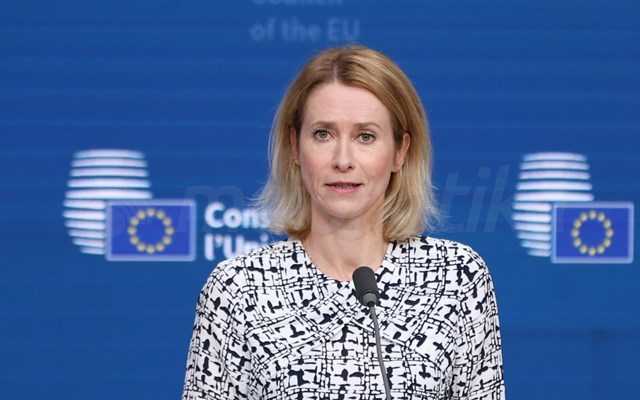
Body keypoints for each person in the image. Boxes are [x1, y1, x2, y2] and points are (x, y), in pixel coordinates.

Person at [181, 45, 505, 400]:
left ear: (400, 152)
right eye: (323, 134)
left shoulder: (455, 278)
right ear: (295, 147)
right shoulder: (239, 289)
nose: (343, 160)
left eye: (366, 136)